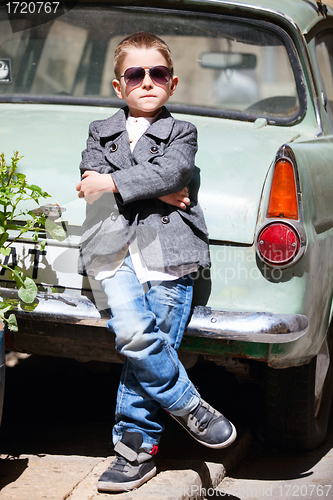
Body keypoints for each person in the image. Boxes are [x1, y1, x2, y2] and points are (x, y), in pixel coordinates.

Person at [76, 32, 236, 494]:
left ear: (173, 81)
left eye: (158, 73)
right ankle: (190, 405)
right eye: (136, 74)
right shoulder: (100, 131)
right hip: (112, 252)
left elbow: (174, 172)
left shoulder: (181, 131)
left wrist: (116, 182)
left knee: (155, 345)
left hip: (169, 254)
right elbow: (88, 183)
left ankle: (135, 450)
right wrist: (154, 190)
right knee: (133, 334)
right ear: (118, 86)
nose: (148, 81)